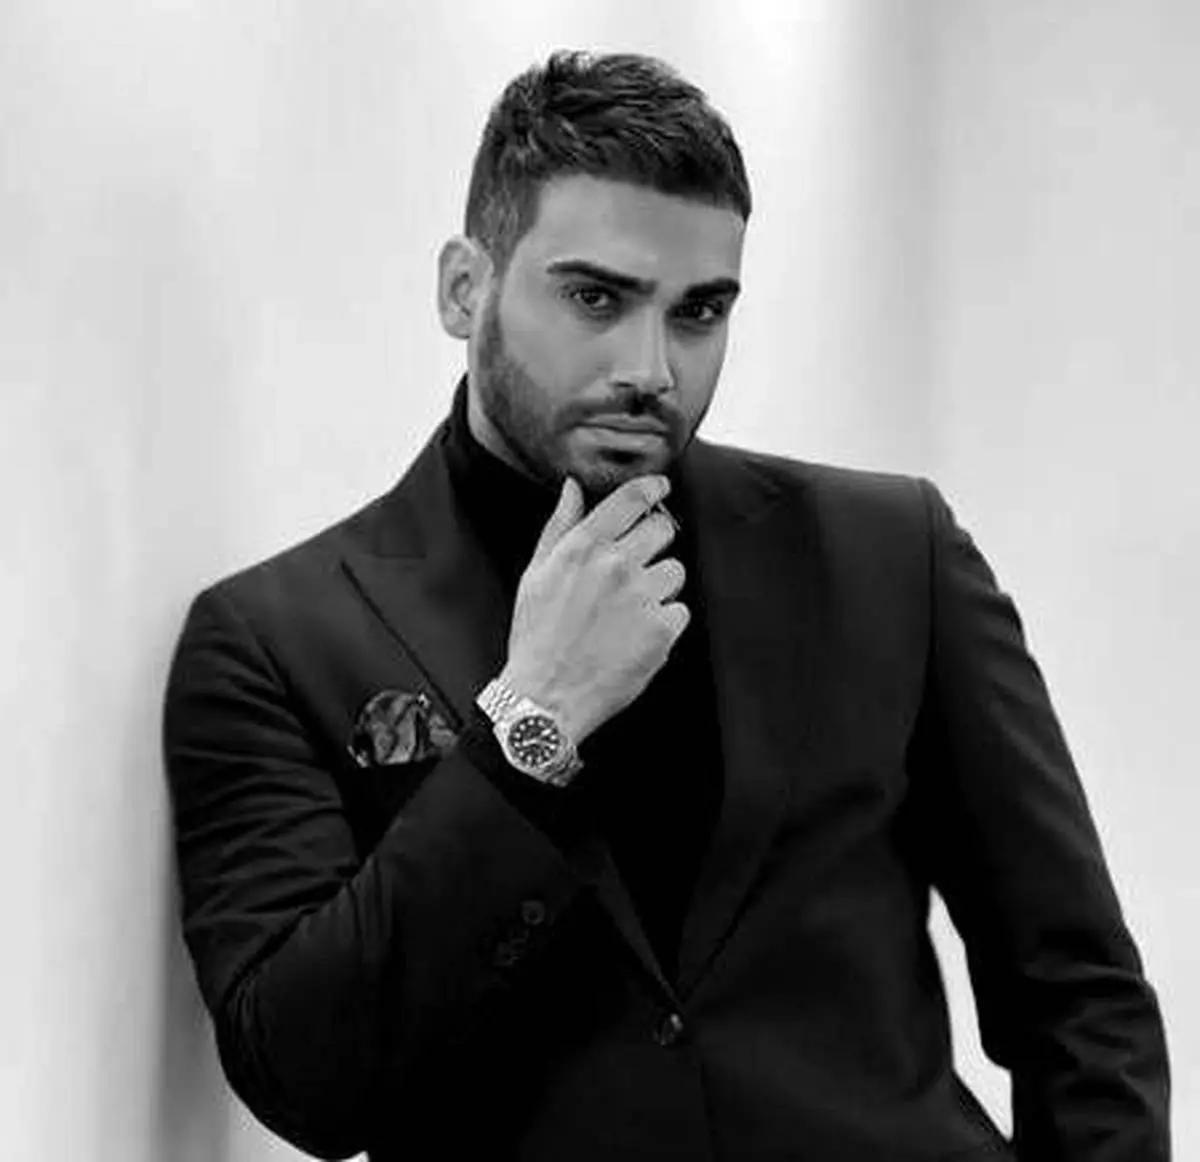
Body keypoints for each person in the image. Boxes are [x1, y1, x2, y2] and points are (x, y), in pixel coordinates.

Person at [162, 50, 1170, 1161]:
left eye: (699, 312)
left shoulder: (892, 557)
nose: (651, 366)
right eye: (595, 297)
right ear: (464, 289)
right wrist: (531, 724)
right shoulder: (277, 639)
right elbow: (308, 1079)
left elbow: (1077, 991)